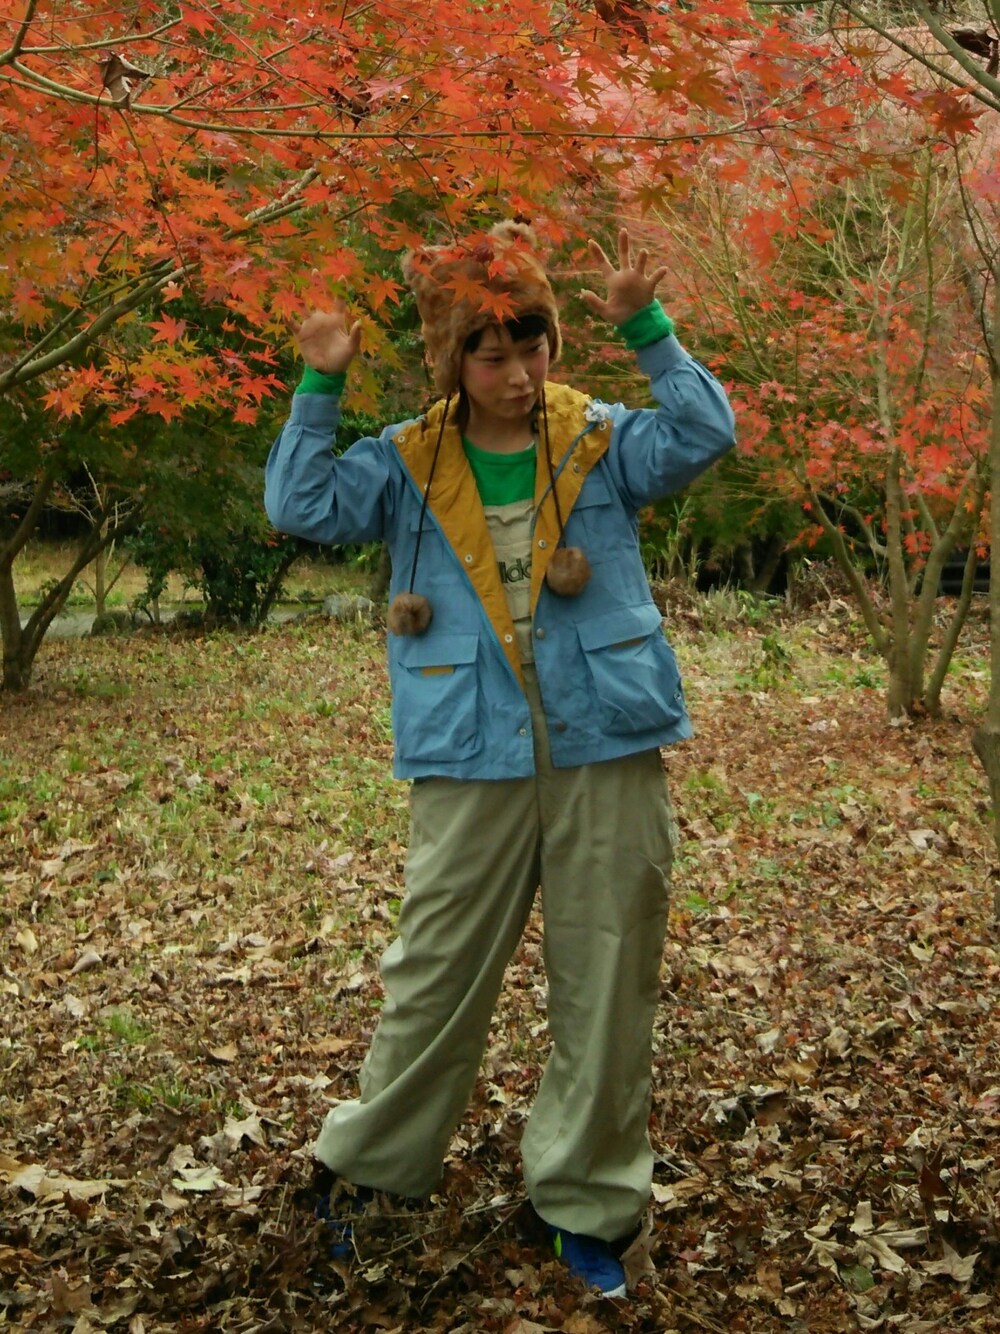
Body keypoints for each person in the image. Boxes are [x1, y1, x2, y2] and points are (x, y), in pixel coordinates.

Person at [264, 222, 736, 1298]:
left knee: (609, 972)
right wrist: (320, 383)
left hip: (605, 739)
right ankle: (374, 1175)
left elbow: (707, 429)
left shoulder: (600, 438)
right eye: (492, 354)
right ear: (451, 360)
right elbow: (299, 504)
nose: (519, 373)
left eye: (535, 346)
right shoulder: (406, 458)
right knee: (433, 972)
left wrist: (648, 328)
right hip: (467, 744)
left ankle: (586, 1204)